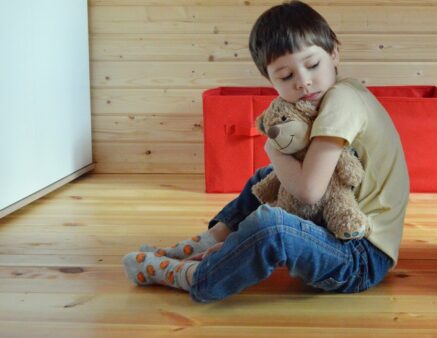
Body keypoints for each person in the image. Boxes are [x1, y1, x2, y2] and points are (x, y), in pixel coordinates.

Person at [121, 0, 409, 303]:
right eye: (286, 77)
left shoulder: (342, 100)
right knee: (268, 178)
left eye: (312, 65)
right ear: (269, 80)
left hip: (360, 256)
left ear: (334, 52)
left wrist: (273, 148)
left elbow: (309, 192)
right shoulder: (331, 98)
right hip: (344, 237)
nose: (303, 81)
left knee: (272, 225)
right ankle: (210, 242)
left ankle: (196, 275)